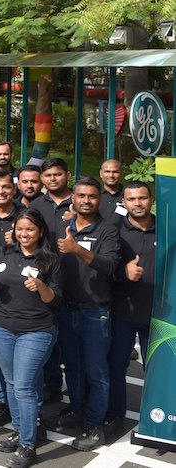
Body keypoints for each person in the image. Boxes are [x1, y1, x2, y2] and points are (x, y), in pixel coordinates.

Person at [0, 209, 63, 468]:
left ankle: (28, 445)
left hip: (36, 331)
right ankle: (19, 431)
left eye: (29, 229)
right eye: (19, 229)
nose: (24, 234)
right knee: (10, 383)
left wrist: (40, 287)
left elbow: (55, 300)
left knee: (24, 387)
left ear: (40, 231)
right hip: (3, 327)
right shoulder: (4, 252)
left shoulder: (51, 260)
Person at [48, 177, 121, 451]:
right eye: (81, 195)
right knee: (73, 367)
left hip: (95, 312)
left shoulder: (107, 230)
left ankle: (94, 425)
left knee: (96, 371)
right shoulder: (62, 226)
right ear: (73, 199)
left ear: (99, 199)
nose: (86, 200)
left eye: (92, 196)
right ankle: (77, 409)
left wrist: (77, 249)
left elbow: (110, 266)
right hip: (66, 310)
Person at [107, 181, 155, 437]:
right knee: (116, 368)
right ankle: (116, 416)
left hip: (159, 316)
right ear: (123, 202)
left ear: (151, 199)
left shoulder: (168, 229)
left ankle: (157, 419)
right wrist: (121, 272)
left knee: (157, 372)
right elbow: (102, 268)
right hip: (122, 313)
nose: (137, 203)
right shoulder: (114, 231)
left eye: (142, 198)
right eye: (132, 199)